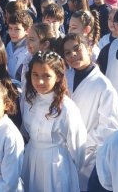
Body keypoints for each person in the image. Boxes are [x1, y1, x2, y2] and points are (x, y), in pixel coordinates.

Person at [62, 33, 118, 190]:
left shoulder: (104, 86)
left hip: (88, 157)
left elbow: (110, 128)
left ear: (88, 48)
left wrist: (81, 142)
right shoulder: (64, 78)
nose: (73, 55)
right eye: (67, 52)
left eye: (77, 48)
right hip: (62, 153)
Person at [21, 51, 87, 192]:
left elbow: (78, 147)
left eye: (46, 76)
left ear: (57, 77)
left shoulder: (66, 107)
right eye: (35, 75)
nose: (40, 81)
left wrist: (69, 169)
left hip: (56, 167)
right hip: (31, 160)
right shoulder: (29, 101)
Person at [6, 10, 32, 80]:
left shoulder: (30, 50)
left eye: (17, 29)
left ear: (27, 31)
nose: (12, 33)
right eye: (10, 28)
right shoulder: (9, 45)